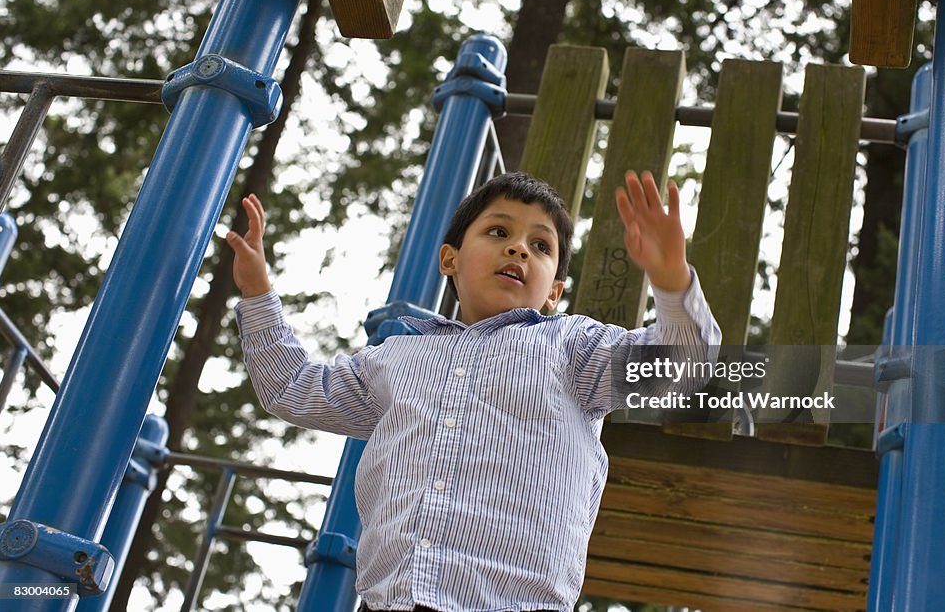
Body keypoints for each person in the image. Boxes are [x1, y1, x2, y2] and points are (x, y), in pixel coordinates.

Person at [227, 170, 720, 612]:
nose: (519, 248)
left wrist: (670, 276)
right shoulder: (396, 358)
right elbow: (293, 388)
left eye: (541, 246)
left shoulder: (572, 347)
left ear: (554, 291)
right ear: (450, 258)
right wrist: (257, 293)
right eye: (499, 231)